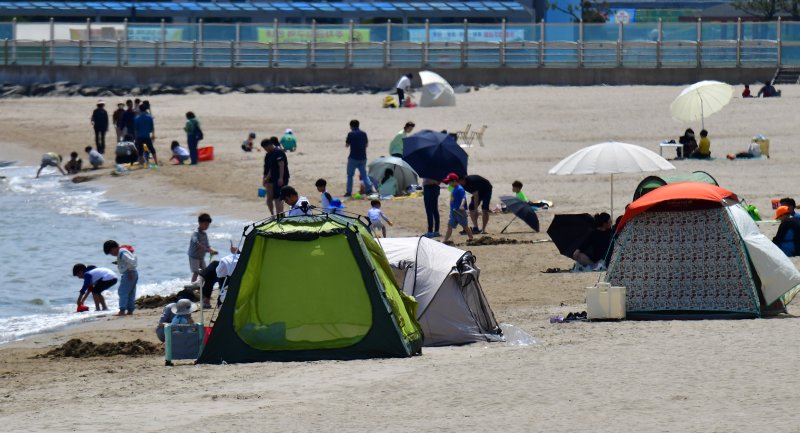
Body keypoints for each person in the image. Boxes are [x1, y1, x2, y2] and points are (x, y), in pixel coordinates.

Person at [103, 240, 138, 316]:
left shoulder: (122, 253)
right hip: (133, 273)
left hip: (129, 273)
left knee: (122, 292)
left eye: (111, 253)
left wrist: (129, 270)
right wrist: (118, 262)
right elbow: (129, 260)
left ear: (113, 248)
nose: (112, 254)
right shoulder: (123, 252)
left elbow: (132, 261)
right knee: (131, 292)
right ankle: (130, 310)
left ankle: (122, 310)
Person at [442, 173, 474, 244]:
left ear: (454, 181)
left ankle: (471, 238)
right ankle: (445, 240)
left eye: (449, 182)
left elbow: (463, 198)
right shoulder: (454, 188)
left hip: (459, 211)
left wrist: (462, 205)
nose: (448, 183)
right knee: (449, 225)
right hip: (453, 211)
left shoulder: (460, 189)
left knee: (465, 226)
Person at [345, 119, 373, 197]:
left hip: (353, 157)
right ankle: (369, 189)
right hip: (363, 157)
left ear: (351, 126)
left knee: (350, 176)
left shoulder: (350, 134)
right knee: (364, 174)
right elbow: (366, 145)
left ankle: (349, 192)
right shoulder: (364, 133)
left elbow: (347, 145)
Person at [262, 138, 290, 216]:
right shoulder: (269, 154)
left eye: (266, 148)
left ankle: (280, 215)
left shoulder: (278, 152)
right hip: (273, 179)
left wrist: (280, 178)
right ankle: (275, 215)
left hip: (281, 178)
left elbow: (281, 165)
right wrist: (266, 178)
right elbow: (269, 168)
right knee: (272, 198)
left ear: (270, 145)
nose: (265, 150)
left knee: (278, 197)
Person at [188, 213, 218, 283]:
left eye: (208, 225)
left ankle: (200, 286)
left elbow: (207, 246)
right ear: (200, 223)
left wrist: (212, 250)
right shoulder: (195, 233)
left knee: (204, 272)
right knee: (196, 272)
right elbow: (196, 242)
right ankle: (193, 286)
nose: (207, 226)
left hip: (201, 257)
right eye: (205, 224)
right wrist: (206, 249)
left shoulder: (204, 234)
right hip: (194, 256)